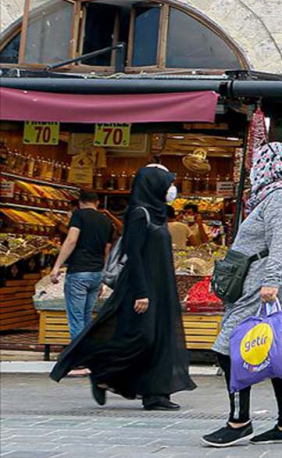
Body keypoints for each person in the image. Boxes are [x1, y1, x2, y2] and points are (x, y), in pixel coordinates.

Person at [50, 165, 195, 411]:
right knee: (143, 337)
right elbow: (134, 254)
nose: (171, 188)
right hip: (141, 286)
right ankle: (102, 371)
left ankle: (156, 394)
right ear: (153, 185)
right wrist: (141, 291)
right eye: (167, 182)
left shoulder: (157, 212)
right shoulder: (139, 214)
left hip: (160, 286)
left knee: (159, 337)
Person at [201, 142, 282, 447]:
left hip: (260, 290)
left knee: (227, 349)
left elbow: (280, 241)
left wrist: (271, 281)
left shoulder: (281, 197)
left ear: (270, 164)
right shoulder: (281, 195)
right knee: (279, 354)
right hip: (264, 288)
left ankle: (239, 422)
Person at [49, 190, 114, 341]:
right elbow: (107, 250)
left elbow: (71, 240)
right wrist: (103, 274)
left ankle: (78, 356)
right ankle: (87, 351)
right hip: (97, 272)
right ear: (97, 203)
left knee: (76, 317)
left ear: (79, 203)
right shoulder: (106, 221)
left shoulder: (78, 215)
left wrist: (56, 266)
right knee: (86, 315)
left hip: (79, 270)